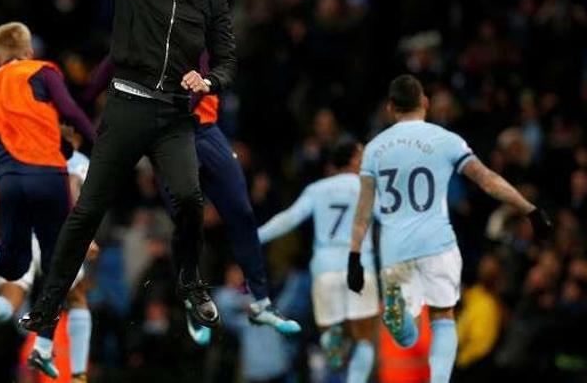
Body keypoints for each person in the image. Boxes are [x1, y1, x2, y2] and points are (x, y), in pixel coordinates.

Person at [18, 0, 238, 334]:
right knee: (88, 211)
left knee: (192, 201)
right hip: (127, 107)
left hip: (174, 116)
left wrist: (210, 81)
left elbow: (228, 60)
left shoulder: (212, 1)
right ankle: (47, 306)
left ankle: (191, 282)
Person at [347, 74, 551, 383]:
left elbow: (363, 212)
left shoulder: (374, 150)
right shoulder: (446, 140)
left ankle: (399, 315)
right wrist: (529, 210)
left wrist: (354, 257)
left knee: (405, 337)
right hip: (437, 243)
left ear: (390, 108)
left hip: (395, 250)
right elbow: (488, 180)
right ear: (425, 103)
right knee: (443, 318)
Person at [83, 53, 300, 345]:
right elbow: (103, 73)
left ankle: (261, 302)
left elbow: (203, 76)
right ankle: (193, 303)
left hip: (204, 130)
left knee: (241, 211)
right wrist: (81, 108)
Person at [0, 21, 96, 374]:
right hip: (46, 175)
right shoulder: (42, 71)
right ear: (29, 51)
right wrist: (95, 141)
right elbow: (68, 110)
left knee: (14, 261)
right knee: (61, 268)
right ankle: (42, 346)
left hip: (8, 178)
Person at [0, 150, 98, 382]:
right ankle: (79, 374)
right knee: (77, 299)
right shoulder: (76, 160)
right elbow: (72, 189)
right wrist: (86, 238)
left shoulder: (20, 151)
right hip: (56, 236)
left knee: (11, 301)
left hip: (22, 234)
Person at [258, 141, 378, 382]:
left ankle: (331, 338)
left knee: (331, 332)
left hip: (325, 269)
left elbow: (289, 218)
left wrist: (255, 237)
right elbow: (393, 220)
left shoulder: (317, 189)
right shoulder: (370, 188)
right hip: (359, 267)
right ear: (354, 160)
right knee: (364, 339)